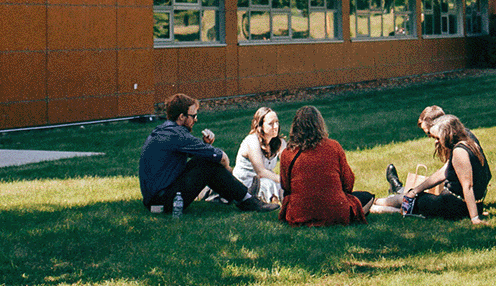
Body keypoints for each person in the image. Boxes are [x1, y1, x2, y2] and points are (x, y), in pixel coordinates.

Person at [138, 93, 279, 213]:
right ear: (181, 117)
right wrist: (228, 170)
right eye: (193, 116)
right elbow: (221, 157)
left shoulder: (166, 130)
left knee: (206, 161)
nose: (196, 119)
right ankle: (246, 199)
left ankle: (237, 196)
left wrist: (205, 146)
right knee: (209, 164)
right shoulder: (177, 134)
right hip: (161, 202)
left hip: (154, 199)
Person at [372, 113, 490, 223]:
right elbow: (442, 173)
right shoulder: (470, 144)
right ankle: (378, 201)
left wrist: (475, 218)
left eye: (438, 138)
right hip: (466, 204)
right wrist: (416, 190)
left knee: (409, 201)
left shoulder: (459, 152)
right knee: (411, 195)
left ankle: (372, 204)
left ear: (447, 134)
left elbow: (467, 186)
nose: (437, 142)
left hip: (452, 206)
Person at [277, 105, 371, 226]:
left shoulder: (287, 153)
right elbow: (348, 183)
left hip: (299, 214)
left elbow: (286, 186)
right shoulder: (334, 146)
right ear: (319, 125)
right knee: (367, 197)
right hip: (336, 213)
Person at [387, 105, 447, 196]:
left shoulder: (456, 144)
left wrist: (416, 190)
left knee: (409, 199)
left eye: (428, 133)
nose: (430, 137)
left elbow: (443, 173)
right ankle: (397, 190)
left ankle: (392, 193)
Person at [233, 106, 284, 203]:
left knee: (280, 185)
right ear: (260, 126)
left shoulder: (279, 142)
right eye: (271, 124)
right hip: (246, 182)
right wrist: (283, 180)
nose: (276, 126)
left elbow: (289, 163)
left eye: (277, 122)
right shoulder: (252, 141)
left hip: (264, 179)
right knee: (270, 183)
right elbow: (261, 172)